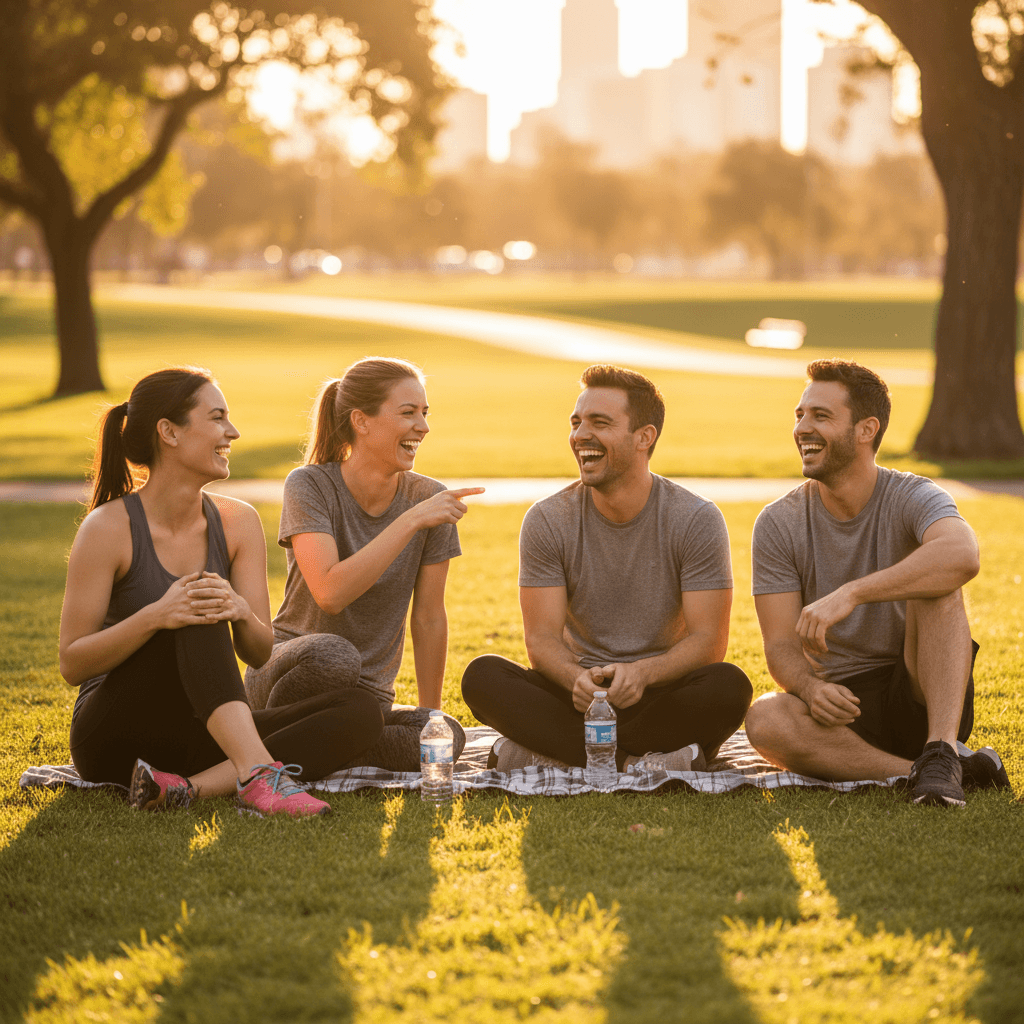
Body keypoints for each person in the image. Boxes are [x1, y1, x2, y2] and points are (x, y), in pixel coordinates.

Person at [62, 367, 385, 817]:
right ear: (168, 432)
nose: (232, 432)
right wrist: (158, 615)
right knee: (197, 605)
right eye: (217, 418)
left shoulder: (238, 522)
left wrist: (239, 611)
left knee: (360, 710)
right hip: (113, 741)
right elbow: (73, 662)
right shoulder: (109, 528)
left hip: (199, 733)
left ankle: (184, 790)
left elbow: (258, 652)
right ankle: (258, 777)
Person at [461, 364, 752, 773]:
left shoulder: (695, 518)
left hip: (657, 694)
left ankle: (550, 754)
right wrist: (573, 678)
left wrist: (642, 674)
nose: (580, 436)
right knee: (483, 676)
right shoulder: (548, 519)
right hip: (577, 696)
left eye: (599, 423)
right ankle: (636, 762)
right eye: (576, 423)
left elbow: (708, 642)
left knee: (729, 686)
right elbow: (541, 639)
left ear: (643, 437)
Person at [746, 358, 1011, 807]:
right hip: (843, 709)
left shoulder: (912, 494)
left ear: (866, 429)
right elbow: (780, 647)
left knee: (938, 585)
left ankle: (941, 747)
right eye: (800, 415)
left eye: (821, 416)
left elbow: (962, 555)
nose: (802, 428)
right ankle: (936, 772)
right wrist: (812, 690)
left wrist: (852, 593)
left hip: (922, 692)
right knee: (764, 720)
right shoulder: (778, 522)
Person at [244, 358, 473, 771]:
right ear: (361, 421)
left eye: (425, 413)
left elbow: (429, 618)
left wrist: (431, 719)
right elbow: (330, 593)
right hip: (289, 675)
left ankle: (315, 751)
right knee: (336, 656)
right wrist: (411, 520)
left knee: (449, 736)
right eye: (408, 413)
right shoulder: (310, 484)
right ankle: (275, 738)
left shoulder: (430, 498)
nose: (422, 426)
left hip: (366, 702)